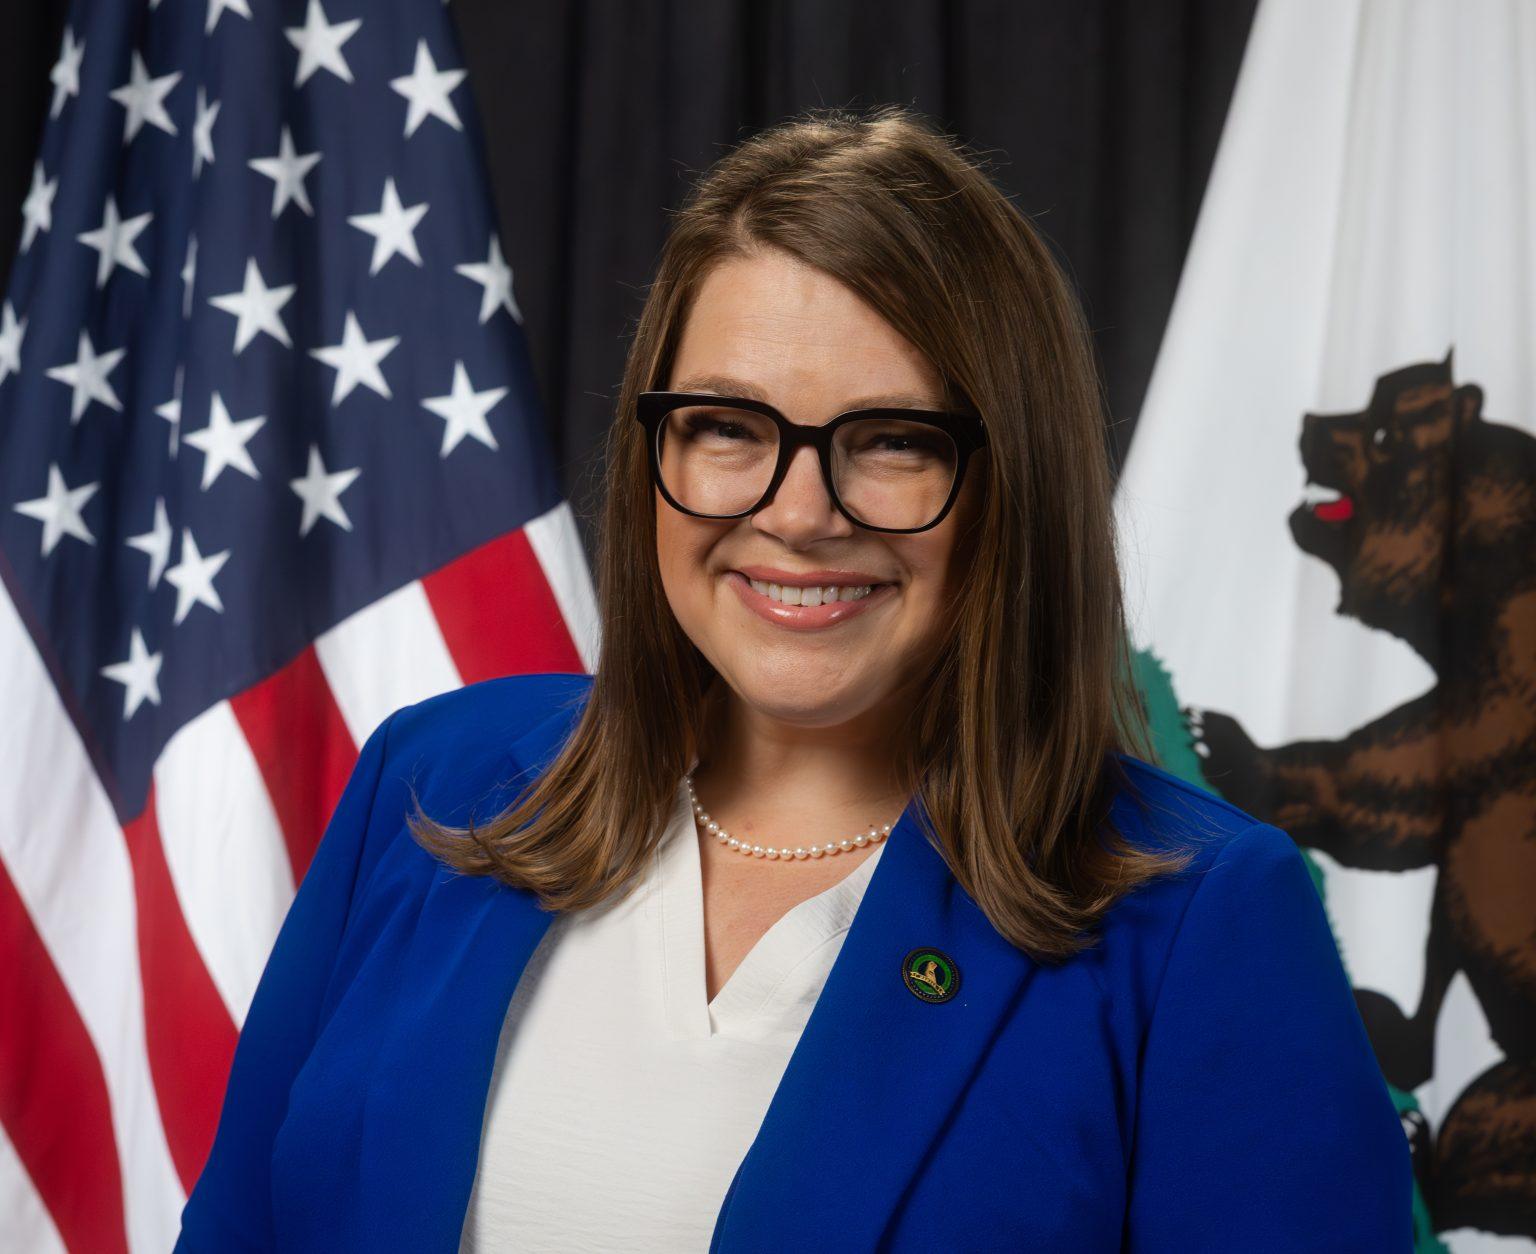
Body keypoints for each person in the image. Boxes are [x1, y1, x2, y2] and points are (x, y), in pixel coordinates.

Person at [174, 103, 1412, 1253]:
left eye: (891, 442)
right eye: (728, 428)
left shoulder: (1196, 922)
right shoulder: (433, 781)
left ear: (1014, 484)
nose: (799, 514)